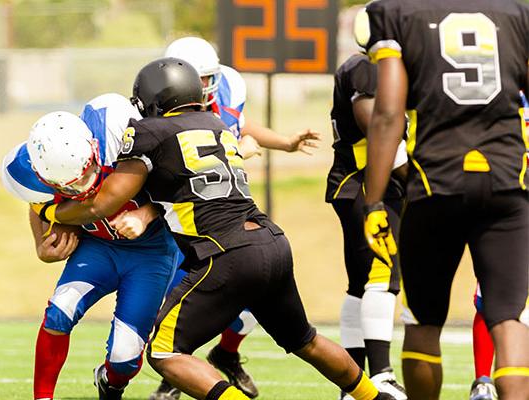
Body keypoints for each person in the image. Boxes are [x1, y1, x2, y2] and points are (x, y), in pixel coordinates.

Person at [49, 57, 392, 400]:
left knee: (164, 353)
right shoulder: (216, 124)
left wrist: (54, 213)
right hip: (270, 240)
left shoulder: (149, 132)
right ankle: (374, 397)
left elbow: (103, 202)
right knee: (307, 341)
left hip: (224, 252)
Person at [362, 0, 529, 399]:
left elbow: (388, 113)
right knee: (509, 320)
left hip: (435, 181)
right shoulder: (517, 14)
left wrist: (373, 203)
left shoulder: (398, 13)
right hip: (506, 180)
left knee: (423, 321)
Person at [150, 36, 323, 400]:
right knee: (183, 298)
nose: (205, 88)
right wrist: (239, 155)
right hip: (185, 214)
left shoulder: (228, 89)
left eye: (208, 79)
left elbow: (239, 125)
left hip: (226, 210)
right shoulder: (161, 104)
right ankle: (176, 371)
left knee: (253, 292)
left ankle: (225, 355)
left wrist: (284, 142)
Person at [2, 94, 180, 400]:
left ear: (94, 148)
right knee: (59, 312)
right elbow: (38, 206)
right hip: (97, 247)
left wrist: (145, 213)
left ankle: (110, 383)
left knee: (124, 358)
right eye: (70, 184)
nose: (82, 186)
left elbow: (178, 189)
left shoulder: (121, 135)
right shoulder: (37, 171)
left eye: (86, 171)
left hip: (150, 254)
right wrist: (41, 245)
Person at [327, 9, 408, 400]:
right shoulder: (367, 68)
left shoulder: (367, 67)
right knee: (381, 275)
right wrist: (415, 175)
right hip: (363, 182)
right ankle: (381, 375)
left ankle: (353, 381)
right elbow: (376, 125)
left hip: (356, 183)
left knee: (360, 283)